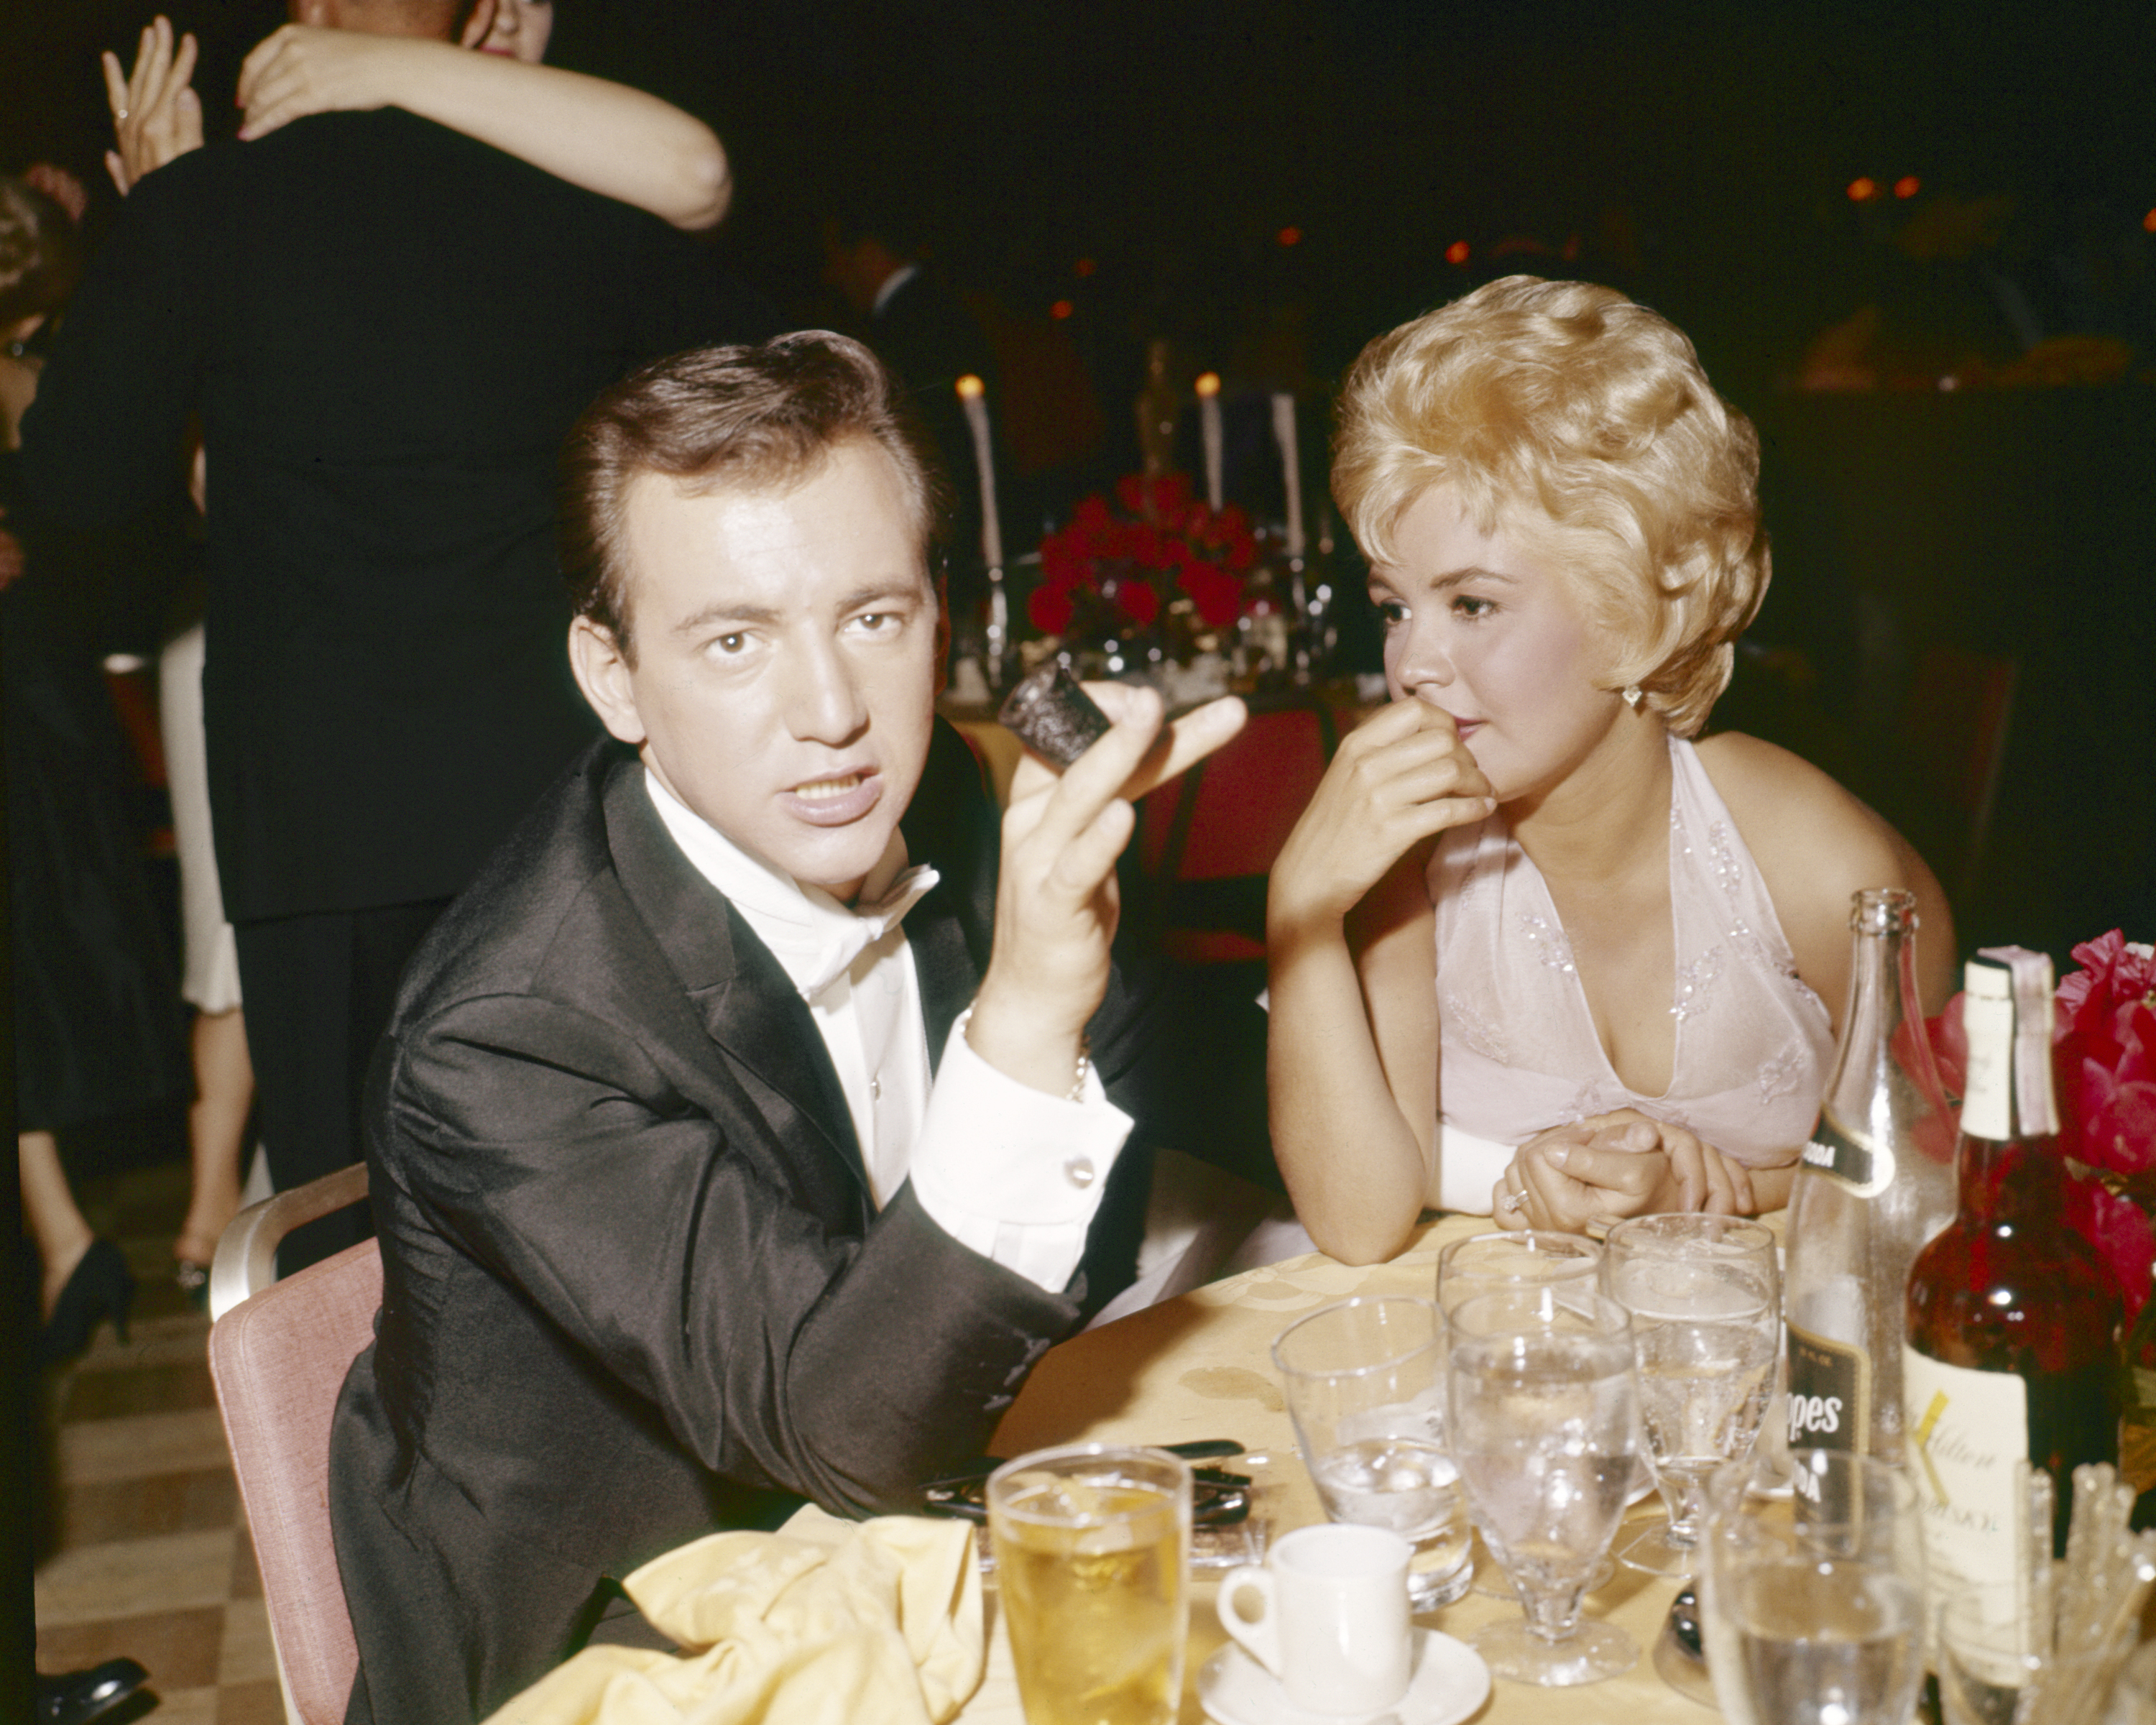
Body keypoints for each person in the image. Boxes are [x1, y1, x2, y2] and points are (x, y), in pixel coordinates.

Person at [326, 331, 1250, 1723]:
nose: (834, 717)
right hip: (619, 1661)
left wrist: (1495, 1144)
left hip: (903, 1545)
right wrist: (1026, 1012)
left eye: (872, 619)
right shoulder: (505, 1033)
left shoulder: (947, 804)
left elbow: (1185, 1083)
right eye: (735, 640)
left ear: (941, 615)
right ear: (615, 675)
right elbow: (841, 1427)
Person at [22, 0, 773, 1271]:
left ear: (305, 16)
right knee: (595, 1204)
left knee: (356, 1238)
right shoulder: (574, 195)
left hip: (322, 827)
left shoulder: (209, 209)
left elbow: (73, 493)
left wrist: (163, 235)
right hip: (555, 799)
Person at [1266, 276, 1955, 1264]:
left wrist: (1724, 1191)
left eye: (1471, 604)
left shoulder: (1808, 856)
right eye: (1393, 606)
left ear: (1641, 604)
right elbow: (1358, 1221)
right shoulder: (1411, 860)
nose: (1410, 663)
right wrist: (1300, 910)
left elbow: (1954, 1175)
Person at [3, 171, 190, 1356]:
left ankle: (69, 1245)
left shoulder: (31, 369)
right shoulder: (36, 369)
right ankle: (67, 1239)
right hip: (41, 684)